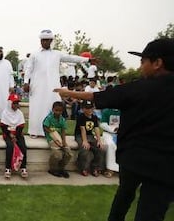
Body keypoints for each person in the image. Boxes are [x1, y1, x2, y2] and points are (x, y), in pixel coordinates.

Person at [54, 38, 174, 221]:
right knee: (151, 212)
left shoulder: (139, 89)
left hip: (134, 159)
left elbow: (98, 96)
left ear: (158, 63)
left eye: (143, 62)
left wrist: (69, 93)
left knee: (124, 197)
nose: (141, 67)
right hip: (166, 166)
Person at [23, 29, 91, 137]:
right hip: (37, 86)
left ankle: (52, 132)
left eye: (47, 40)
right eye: (43, 40)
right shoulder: (34, 54)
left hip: (53, 86)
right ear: (40, 41)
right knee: (37, 108)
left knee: (52, 106)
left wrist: (87, 60)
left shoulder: (57, 54)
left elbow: (71, 58)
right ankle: (35, 131)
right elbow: (28, 69)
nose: (45, 42)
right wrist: (26, 82)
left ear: (51, 41)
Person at [0, 93, 28, 179]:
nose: (16, 105)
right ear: (10, 103)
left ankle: (23, 167)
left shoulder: (19, 113)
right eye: (14, 103)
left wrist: (16, 136)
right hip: (7, 134)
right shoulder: (5, 113)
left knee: (23, 147)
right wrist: (10, 135)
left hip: (18, 134)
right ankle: (8, 168)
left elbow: (21, 126)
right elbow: (3, 126)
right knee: (10, 146)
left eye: (17, 103)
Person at [74, 100, 104, 177]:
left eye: (91, 108)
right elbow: (82, 129)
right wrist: (84, 141)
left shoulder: (94, 117)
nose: (89, 110)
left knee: (100, 149)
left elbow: (96, 129)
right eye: (87, 108)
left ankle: (95, 168)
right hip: (80, 136)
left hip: (90, 136)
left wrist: (99, 141)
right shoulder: (81, 116)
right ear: (83, 109)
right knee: (85, 149)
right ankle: (83, 168)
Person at [43, 101, 72, 178]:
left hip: (59, 138)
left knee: (68, 153)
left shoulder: (62, 119)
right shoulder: (49, 118)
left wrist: (64, 142)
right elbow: (45, 127)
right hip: (51, 138)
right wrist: (53, 135)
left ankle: (61, 168)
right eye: (56, 110)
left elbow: (63, 131)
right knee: (57, 155)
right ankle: (53, 169)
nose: (58, 112)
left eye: (60, 111)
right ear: (53, 110)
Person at [100, 108, 120, 178]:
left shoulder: (123, 111)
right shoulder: (106, 112)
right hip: (108, 133)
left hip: (121, 133)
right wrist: (113, 129)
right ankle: (110, 169)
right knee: (111, 145)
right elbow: (102, 124)